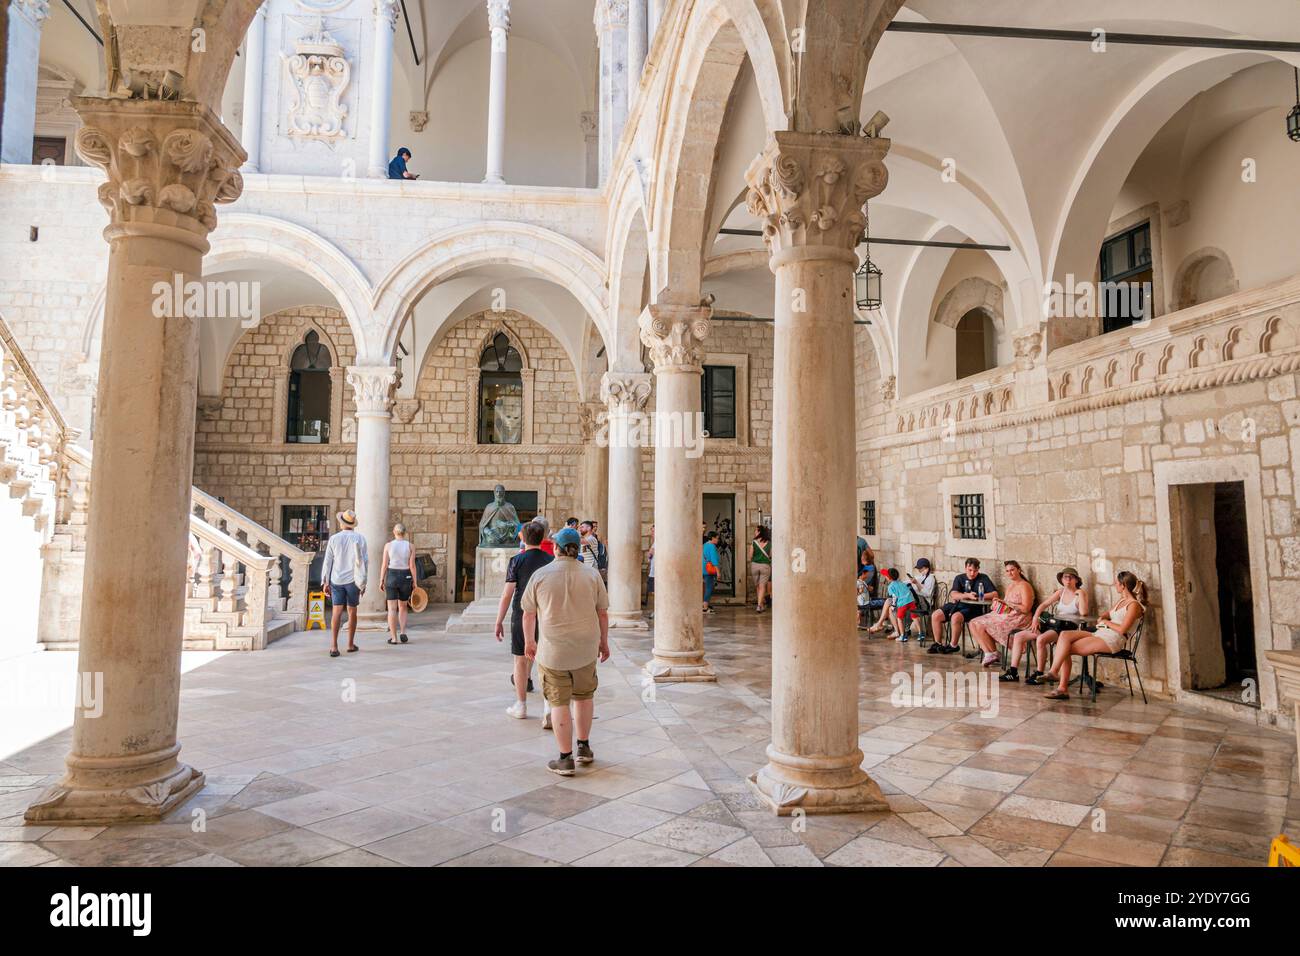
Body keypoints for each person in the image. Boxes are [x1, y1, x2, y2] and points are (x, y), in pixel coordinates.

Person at [521, 527, 610, 775]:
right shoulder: (591, 575)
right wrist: (604, 642)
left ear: (557, 548)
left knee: (559, 701)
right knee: (584, 696)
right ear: (577, 549)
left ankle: (565, 758)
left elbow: (528, 613)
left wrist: (530, 641)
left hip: (553, 649)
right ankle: (583, 747)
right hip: (585, 648)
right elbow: (602, 612)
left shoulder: (541, 575)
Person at [1042, 571, 1147, 701]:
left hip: (1112, 639)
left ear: (1123, 585)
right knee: (1064, 636)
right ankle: (1053, 672)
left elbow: (1122, 629)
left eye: (1116, 583)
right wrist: (1103, 618)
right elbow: (1107, 614)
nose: (1115, 585)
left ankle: (1062, 688)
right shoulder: (1122, 600)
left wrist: (1106, 622)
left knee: (1065, 649)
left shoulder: (1134, 605)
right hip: (1101, 632)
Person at [496, 521, 554, 720]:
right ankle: (548, 706)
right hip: (546, 614)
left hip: (522, 614)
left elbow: (507, 594)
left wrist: (499, 620)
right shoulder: (551, 559)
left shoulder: (516, 561)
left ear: (522, 537)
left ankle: (521, 705)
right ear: (543, 537)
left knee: (520, 660)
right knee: (546, 660)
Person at [1003, 566, 1088, 684]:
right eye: (1065, 577)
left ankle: (1039, 674)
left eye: (1071, 577)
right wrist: (1035, 619)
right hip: (1053, 624)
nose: (1068, 579)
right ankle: (1013, 672)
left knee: (1041, 639)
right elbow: (1043, 605)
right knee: (1019, 636)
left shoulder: (1080, 595)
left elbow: (1084, 613)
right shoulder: (1060, 592)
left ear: (1076, 580)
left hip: (1066, 628)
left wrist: (1081, 594)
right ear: (1062, 580)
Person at [969, 560, 1035, 667]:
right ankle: (990, 652)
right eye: (1007, 571)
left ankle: (992, 653)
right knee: (973, 622)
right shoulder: (1010, 586)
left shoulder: (1025, 586)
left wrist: (1010, 604)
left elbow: (1026, 608)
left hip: (1019, 618)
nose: (1010, 573)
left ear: (1019, 570)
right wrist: (999, 603)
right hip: (1007, 614)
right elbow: (1007, 605)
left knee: (982, 624)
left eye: (1012, 570)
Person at [320, 509, 368, 658]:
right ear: (352, 524)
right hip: (353, 580)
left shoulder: (334, 539)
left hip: (336, 579)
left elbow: (328, 561)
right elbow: (364, 562)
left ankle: (334, 646)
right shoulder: (360, 538)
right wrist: (363, 583)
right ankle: (350, 644)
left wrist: (325, 581)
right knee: (352, 611)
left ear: (342, 523)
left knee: (336, 611)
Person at [928, 557, 998, 655]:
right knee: (936, 615)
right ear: (965, 568)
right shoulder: (959, 578)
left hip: (974, 608)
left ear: (978, 570)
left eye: (975, 571)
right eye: (970, 570)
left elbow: (994, 594)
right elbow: (953, 594)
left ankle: (953, 646)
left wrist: (978, 596)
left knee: (955, 617)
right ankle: (938, 643)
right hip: (958, 605)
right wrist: (967, 595)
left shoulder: (983, 578)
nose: (972, 573)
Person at [380, 522, 416, 645]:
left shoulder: (388, 545)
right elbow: (412, 565)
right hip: (405, 575)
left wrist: (381, 579)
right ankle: (403, 632)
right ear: (404, 533)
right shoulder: (410, 546)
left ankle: (394, 638)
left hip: (392, 576)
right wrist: (415, 582)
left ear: (394, 533)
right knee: (403, 606)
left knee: (391, 608)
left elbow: (384, 564)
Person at [750, 525, 772, 613]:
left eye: (756, 531)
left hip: (755, 565)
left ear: (760, 532)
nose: (755, 532)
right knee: (762, 586)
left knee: (758, 586)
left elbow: (750, 555)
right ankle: (759, 606)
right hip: (765, 566)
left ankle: (761, 604)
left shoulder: (754, 542)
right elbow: (770, 555)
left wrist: (756, 558)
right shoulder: (769, 543)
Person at [702, 530, 722, 613]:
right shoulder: (712, 546)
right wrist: (718, 572)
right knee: (709, 588)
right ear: (713, 538)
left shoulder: (704, 545)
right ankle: (705, 607)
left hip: (703, 569)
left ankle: (704, 604)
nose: (718, 540)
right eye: (717, 538)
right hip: (709, 570)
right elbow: (714, 560)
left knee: (706, 587)